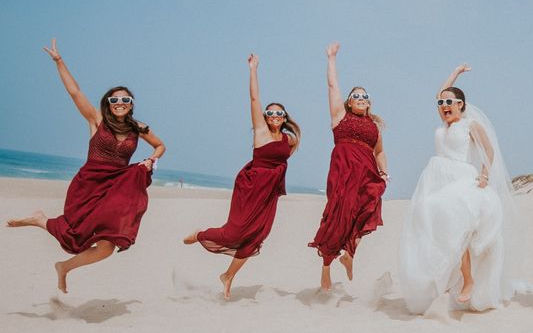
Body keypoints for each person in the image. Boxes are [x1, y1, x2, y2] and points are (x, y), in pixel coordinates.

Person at [7, 39, 166, 294]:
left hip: (115, 187)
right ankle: (40, 221)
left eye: (125, 99)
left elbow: (160, 146)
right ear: (108, 104)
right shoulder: (97, 120)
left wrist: (150, 160)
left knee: (107, 247)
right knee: (75, 235)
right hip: (89, 184)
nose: (120, 103)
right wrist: (59, 62)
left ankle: (64, 267)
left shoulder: (140, 128)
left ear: (131, 103)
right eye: (115, 100)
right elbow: (75, 92)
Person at [399, 64, 516, 313]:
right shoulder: (444, 126)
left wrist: (485, 175)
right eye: (441, 103)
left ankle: (468, 279)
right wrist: (455, 72)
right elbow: (441, 93)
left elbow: (490, 150)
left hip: (460, 178)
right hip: (434, 179)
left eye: (449, 102)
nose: (443, 106)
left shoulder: (470, 125)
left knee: (457, 229)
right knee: (432, 229)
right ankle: (443, 283)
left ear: (461, 104)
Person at [183, 54, 300, 300]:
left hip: (268, 193)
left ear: (285, 117)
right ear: (265, 116)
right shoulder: (260, 130)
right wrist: (253, 69)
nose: (274, 116)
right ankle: (201, 234)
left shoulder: (289, 140)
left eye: (279, 114)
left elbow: (280, 164)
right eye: (270, 113)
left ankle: (228, 276)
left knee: (257, 236)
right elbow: (254, 98)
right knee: (234, 232)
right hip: (250, 186)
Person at [309, 42, 387, 291]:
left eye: (365, 96)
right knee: (338, 217)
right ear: (349, 102)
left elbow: (380, 151)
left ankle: (349, 255)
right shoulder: (339, 118)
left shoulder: (374, 126)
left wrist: (383, 171)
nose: (361, 99)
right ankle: (326, 269)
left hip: (366, 174)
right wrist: (331, 59)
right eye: (357, 96)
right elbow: (332, 86)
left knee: (366, 210)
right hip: (343, 173)